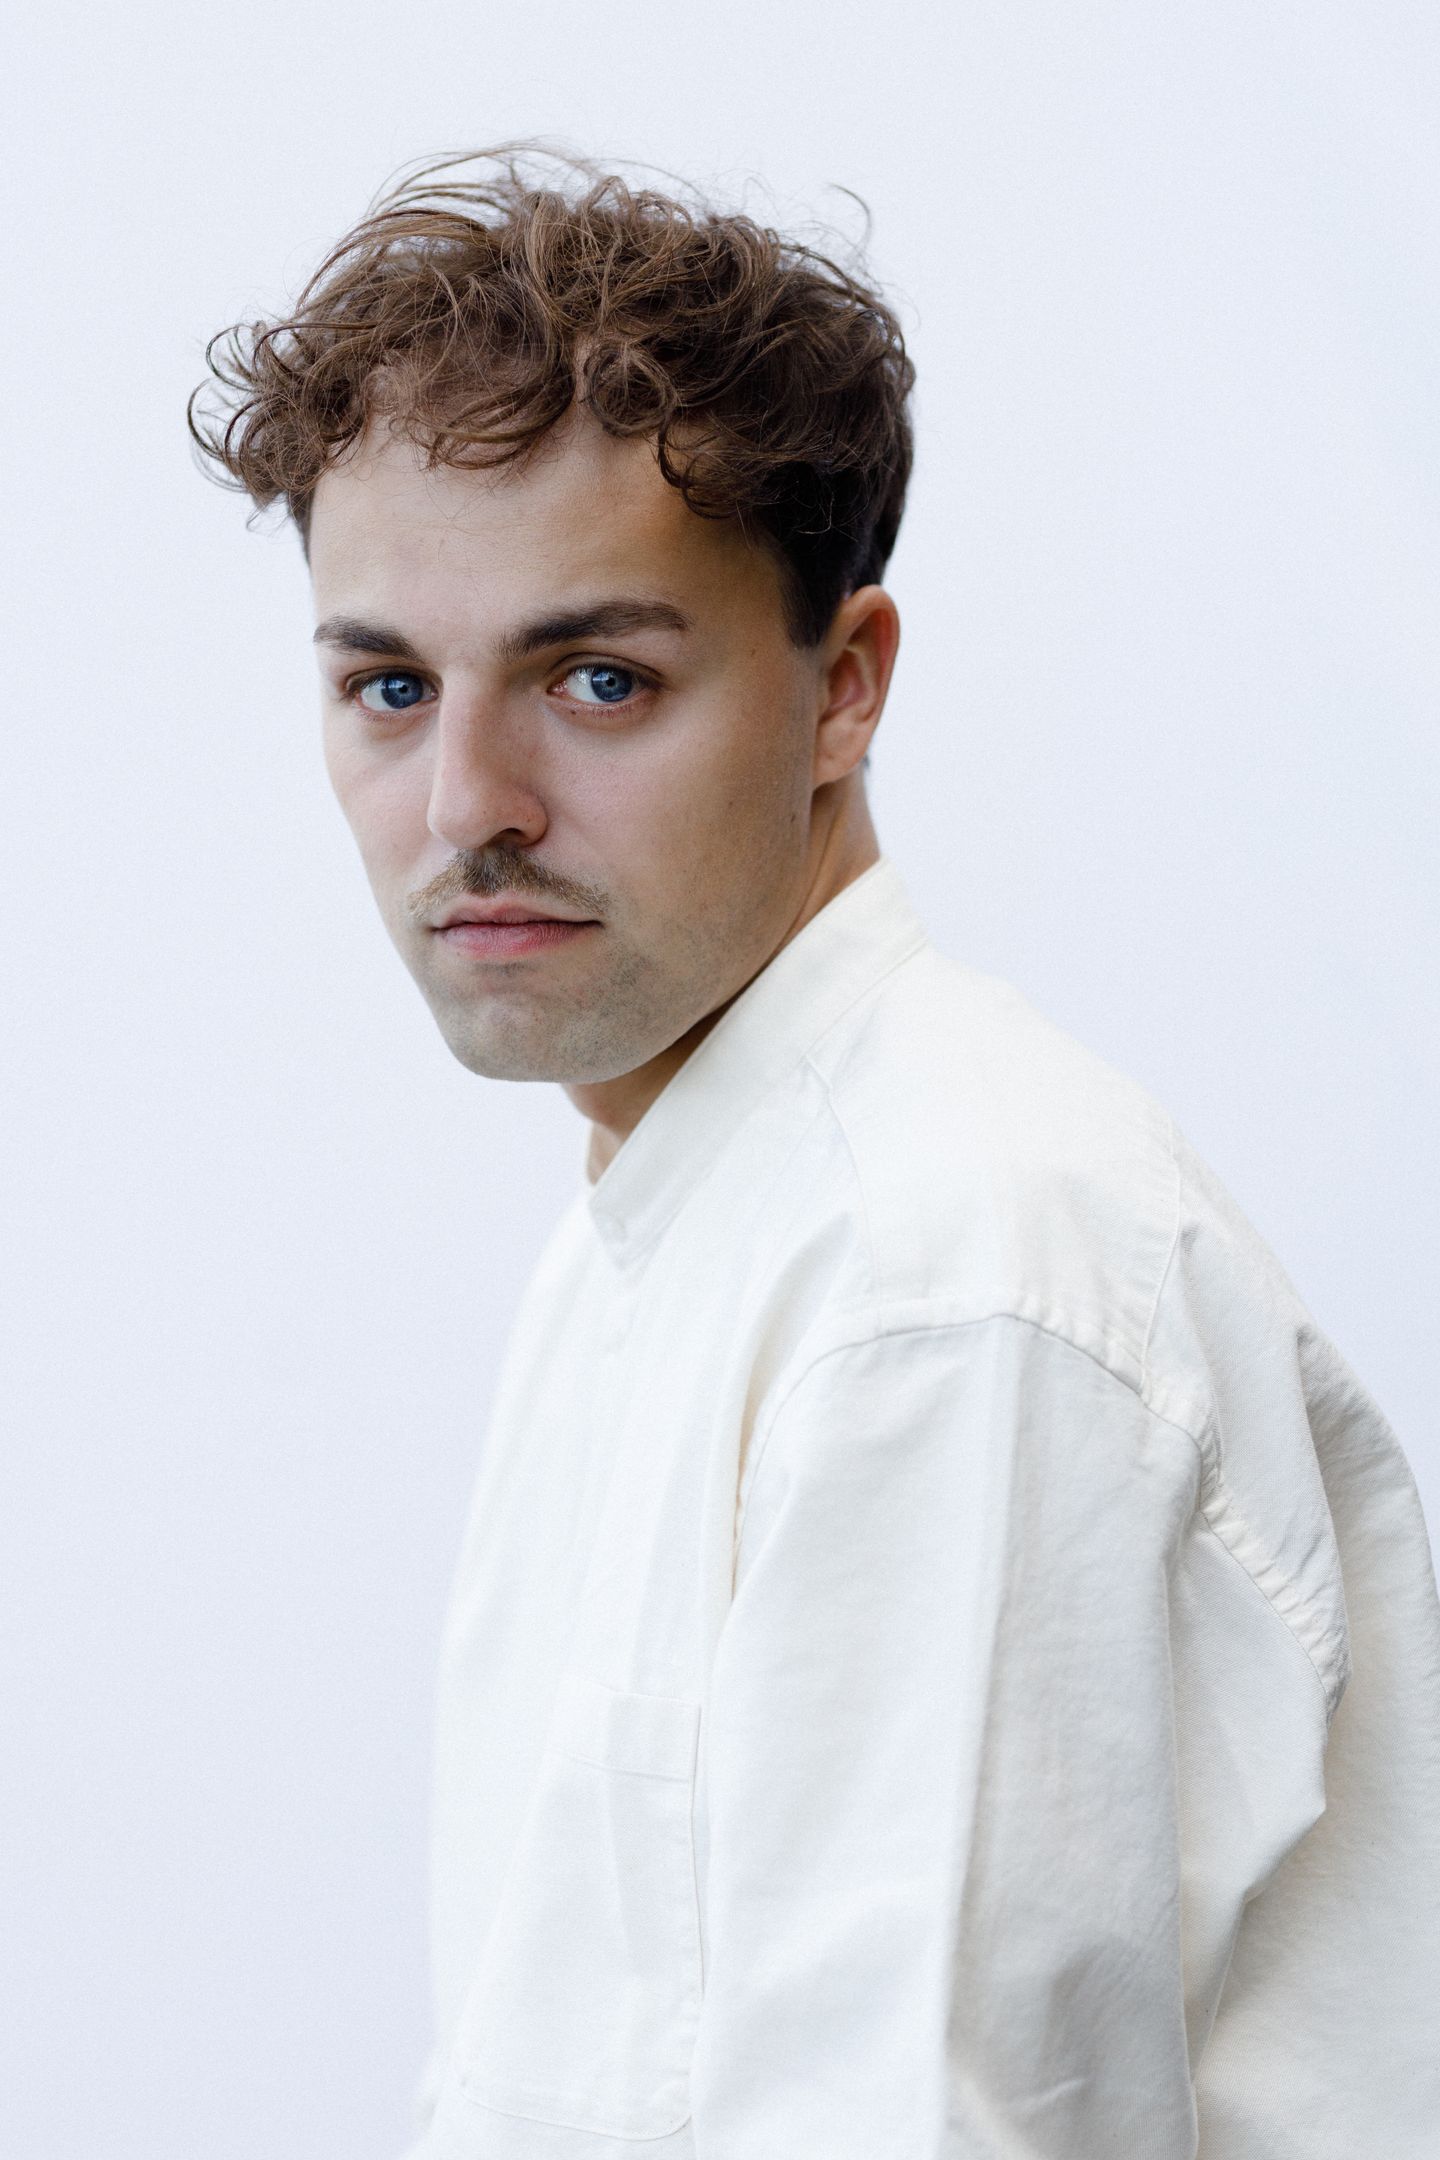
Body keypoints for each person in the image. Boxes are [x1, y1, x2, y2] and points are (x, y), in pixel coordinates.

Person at [190, 146, 1440, 2159]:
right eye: (390, 687)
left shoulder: (943, 1274)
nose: (465, 803)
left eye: (600, 679)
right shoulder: (677, 1227)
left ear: (843, 687)